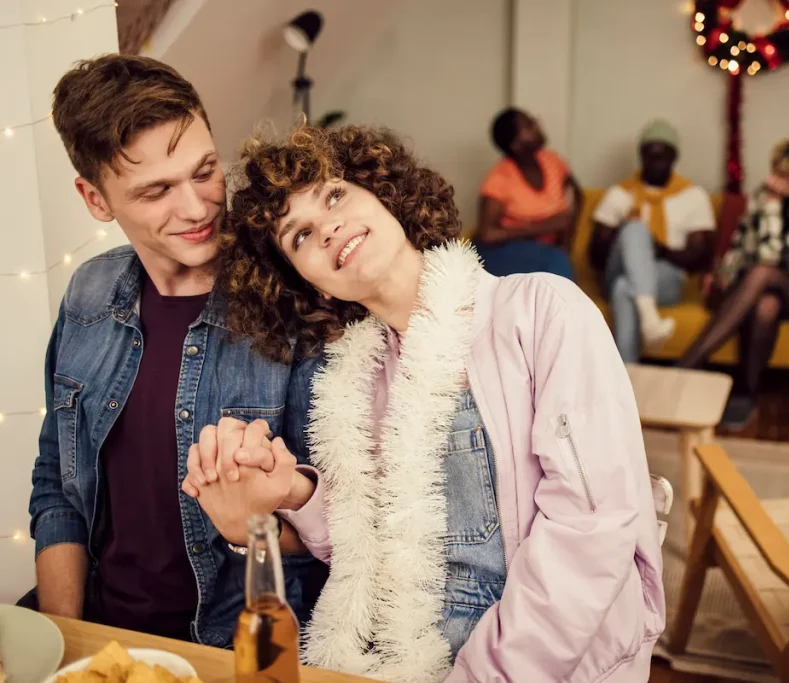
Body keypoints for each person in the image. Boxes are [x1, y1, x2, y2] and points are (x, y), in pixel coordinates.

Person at [181, 124, 664, 683]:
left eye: (335, 195)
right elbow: (383, 554)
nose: (329, 227)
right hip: (408, 659)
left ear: (385, 195)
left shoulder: (540, 311)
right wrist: (293, 492)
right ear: (308, 283)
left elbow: (590, 532)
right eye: (300, 236)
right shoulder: (354, 384)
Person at [26, 54, 325, 646]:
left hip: (234, 649)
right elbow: (58, 484)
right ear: (95, 199)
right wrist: (65, 639)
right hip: (100, 635)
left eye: (206, 170)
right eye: (156, 191)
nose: (196, 209)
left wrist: (252, 515)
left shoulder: (295, 299)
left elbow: (342, 530)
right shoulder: (88, 290)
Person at [678, 137, 789, 428]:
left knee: (763, 273)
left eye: (781, 175)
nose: (772, 179)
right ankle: (746, 395)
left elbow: (774, 256)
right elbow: (742, 243)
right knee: (766, 305)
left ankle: (686, 365)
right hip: (760, 288)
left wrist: (771, 209)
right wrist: (721, 276)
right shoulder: (765, 195)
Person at [589, 119, 715, 362]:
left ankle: (626, 374)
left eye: (663, 156)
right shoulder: (620, 193)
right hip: (617, 270)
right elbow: (595, 256)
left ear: (674, 157)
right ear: (640, 156)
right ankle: (650, 320)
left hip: (667, 278)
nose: (655, 162)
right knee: (634, 229)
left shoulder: (692, 196)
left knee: (625, 288)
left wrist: (659, 251)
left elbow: (698, 258)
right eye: (650, 155)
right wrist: (621, 234)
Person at [475, 108, 581, 280]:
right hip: (503, 250)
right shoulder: (499, 178)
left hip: (547, 250)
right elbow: (487, 234)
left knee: (557, 261)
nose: (537, 125)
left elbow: (577, 195)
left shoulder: (552, 161)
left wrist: (566, 240)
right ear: (516, 145)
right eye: (529, 125)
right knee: (556, 263)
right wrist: (543, 227)